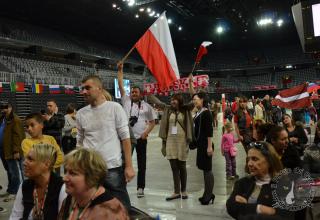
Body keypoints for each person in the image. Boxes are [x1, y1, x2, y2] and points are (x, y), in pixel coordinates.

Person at [76, 75, 135, 210]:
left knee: (121, 209)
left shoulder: (115, 108)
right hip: (89, 170)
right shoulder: (80, 114)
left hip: (112, 168)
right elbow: (79, 143)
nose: (83, 92)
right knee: (93, 209)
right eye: (82, 88)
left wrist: (129, 166)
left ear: (99, 88)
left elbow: (125, 139)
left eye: (87, 88)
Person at [226, 141, 293, 220]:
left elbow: (284, 216)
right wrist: (260, 208)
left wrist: (245, 208)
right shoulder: (242, 183)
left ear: (269, 161)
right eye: (248, 159)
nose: (249, 164)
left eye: (255, 159)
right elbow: (231, 206)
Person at [117, 62, 156, 198]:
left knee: (142, 164)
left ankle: (141, 187)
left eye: (135, 92)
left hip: (141, 138)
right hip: (127, 138)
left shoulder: (146, 107)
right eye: (132, 92)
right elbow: (121, 85)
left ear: (140, 94)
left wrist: (146, 132)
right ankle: (122, 185)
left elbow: (152, 122)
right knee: (124, 163)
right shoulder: (126, 101)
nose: (133, 93)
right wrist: (120, 70)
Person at [148, 87, 194, 201]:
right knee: (174, 167)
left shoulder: (186, 109)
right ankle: (176, 191)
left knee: (182, 167)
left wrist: (191, 85)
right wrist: (149, 91)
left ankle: (183, 190)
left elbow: (193, 101)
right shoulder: (168, 109)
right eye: (171, 99)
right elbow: (156, 101)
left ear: (180, 101)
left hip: (182, 142)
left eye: (175, 99)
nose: (172, 101)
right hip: (170, 142)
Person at [58, 148, 129, 220]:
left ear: (92, 177)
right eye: (66, 171)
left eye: (72, 173)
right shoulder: (71, 200)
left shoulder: (110, 212)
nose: (64, 178)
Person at [9, 143, 67, 220]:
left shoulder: (62, 188)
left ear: (46, 164)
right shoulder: (25, 185)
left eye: (30, 159)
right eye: (26, 158)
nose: (24, 163)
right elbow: (15, 217)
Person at [192, 91, 215, 205]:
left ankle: (209, 195)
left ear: (202, 99)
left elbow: (209, 131)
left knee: (207, 170)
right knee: (205, 170)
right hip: (201, 144)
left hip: (206, 144)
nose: (194, 101)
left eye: (196, 99)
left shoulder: (206, 113)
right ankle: (207, 193)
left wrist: (209, 147)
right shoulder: (199, 111)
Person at [0, 101, 25, 202]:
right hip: (3, 150)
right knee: (9, 171)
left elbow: (17, 136)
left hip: (12, 151)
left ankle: (16, 192)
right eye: (1, 107)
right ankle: (11, 189)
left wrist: (16, 151)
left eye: (5, 107)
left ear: (10, 107)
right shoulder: (2, 119)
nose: (3, 109)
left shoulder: (15, 120)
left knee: (15, 172)